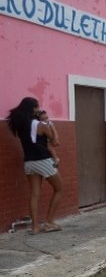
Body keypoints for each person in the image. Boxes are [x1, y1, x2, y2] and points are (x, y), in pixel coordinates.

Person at [7, 97, 64, 234]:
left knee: (34, 194)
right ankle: (49, 222)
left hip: (29, 162)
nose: (38, 110)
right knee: (59, 188)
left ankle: (35, 227)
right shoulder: (40, 125)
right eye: (37, 107)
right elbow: (55, 142)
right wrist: (52, 125)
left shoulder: (20, 125)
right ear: (33, 108)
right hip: (43, 160)